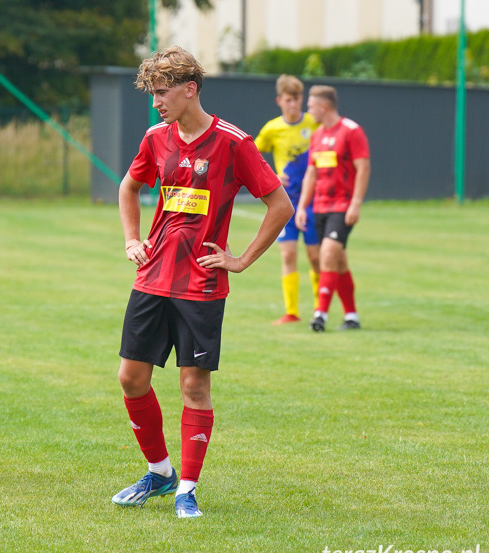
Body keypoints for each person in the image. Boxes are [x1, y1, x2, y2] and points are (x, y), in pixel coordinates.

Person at [111, 47, 293, 518]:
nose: (156, 102)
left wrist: (241, 259)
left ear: (190, 89)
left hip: (201, 285)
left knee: (194, 388)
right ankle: (159, 472)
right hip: (152, 278)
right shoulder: (156, 138)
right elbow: (129, 186)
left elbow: (280, 206)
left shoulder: (234, 143)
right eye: (152, 93)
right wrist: (132, 239)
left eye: (162, 92)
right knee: (131, 379)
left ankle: (186, 489)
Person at [295, 85, 370, 332]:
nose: (308, 110)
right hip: (320, 206)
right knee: (336, 262)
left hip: (342, 206)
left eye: (310, 106)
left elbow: (363, 168)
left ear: (323, 106)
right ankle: (352, 317)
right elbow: (311, 173)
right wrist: (303, 207)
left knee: (327, 256)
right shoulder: (316, 136)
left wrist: (356, 203)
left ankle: (320, 315)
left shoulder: (351, 131)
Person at [255, 75, 321, 325]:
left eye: (297, 100)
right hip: (287, 202)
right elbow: (253, 153)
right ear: (279, 101)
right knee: (288, 255)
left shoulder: (314, 123)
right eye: (288, 100)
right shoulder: (272, 128)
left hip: (314, 199)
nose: (293, 105)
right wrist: (271, 176)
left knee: (315, 257)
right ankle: (291, 312)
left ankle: (319, 309)